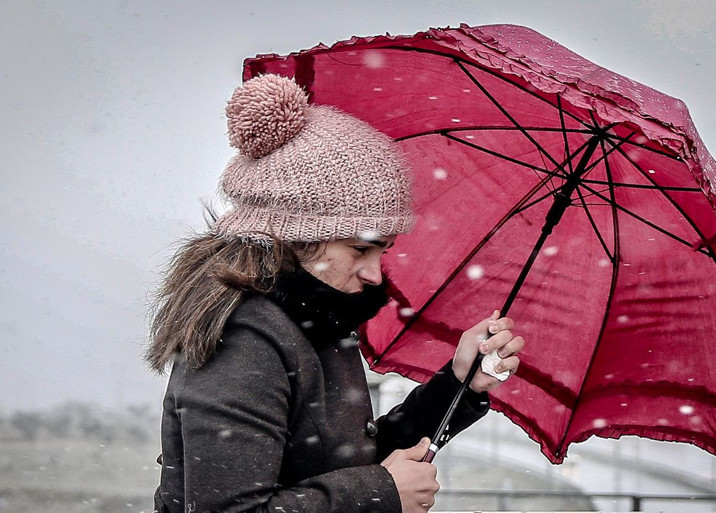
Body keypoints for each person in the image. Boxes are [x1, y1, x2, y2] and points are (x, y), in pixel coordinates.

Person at [146, 73, 525, 513]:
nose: (374, 275)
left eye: (382, 251)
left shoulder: (309, 325)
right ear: (298, 237)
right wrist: (381, 492)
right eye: (360, 249)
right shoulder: (246, 338)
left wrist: (458, 383)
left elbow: (340, 461)